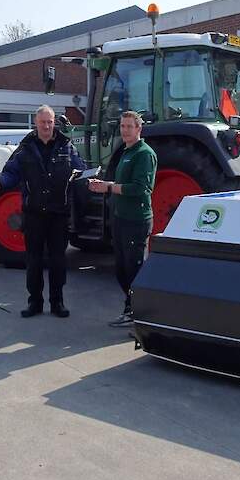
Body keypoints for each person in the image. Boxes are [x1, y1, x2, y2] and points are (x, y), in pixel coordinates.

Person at [0, 104, 86, 318]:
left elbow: (80, 169)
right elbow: (10, 173)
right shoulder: (25, 148)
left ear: (54, 123)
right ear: (36, 123)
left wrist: (89, 180)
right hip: (34, 213)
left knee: (58, 260)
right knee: (33, 260)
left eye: (50, 122)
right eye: (43, 122)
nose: (46, 126)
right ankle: (34, 302)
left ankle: (57, 302)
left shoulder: (66, 145)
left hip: (58, 214)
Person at [88, 110, 157, 327]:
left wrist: (108, 187)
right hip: (121, 218)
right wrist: (103, 185)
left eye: (129, 126)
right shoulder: (126, 152)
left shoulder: (144, 154)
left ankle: (140, 315)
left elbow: (140, 188)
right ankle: (131, 309)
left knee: (134, 268)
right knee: (121, 269)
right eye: (122, 126)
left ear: (139, 129)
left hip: (136, 220)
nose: (125, 130)